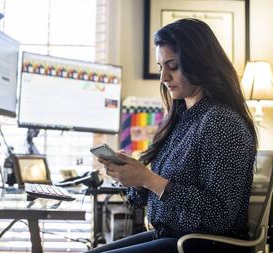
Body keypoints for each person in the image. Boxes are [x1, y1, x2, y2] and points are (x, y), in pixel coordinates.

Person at [86, 18, 258, 253]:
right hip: (174, 237)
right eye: (160, 67)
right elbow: (155, 196)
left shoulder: (221, 122)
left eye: (173, 66)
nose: (164, 77)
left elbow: (219, 216)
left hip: (202, 245)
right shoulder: (182, 119)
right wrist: (136, 180)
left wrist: (149, 179)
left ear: (200, 64)